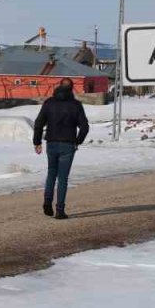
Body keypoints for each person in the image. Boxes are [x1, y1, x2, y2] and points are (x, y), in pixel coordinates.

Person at [33, 78, 90, 219]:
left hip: (51, 142)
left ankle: (47, 200)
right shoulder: (76, 105)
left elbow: (39, 123)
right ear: (71, 88)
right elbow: (84, 127)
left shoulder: (49, 103)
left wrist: (37, 141)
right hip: (68, 144)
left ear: (58, 87)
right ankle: (59, 210)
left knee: (51, 173)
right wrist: (78, 141)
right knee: (63, 178)